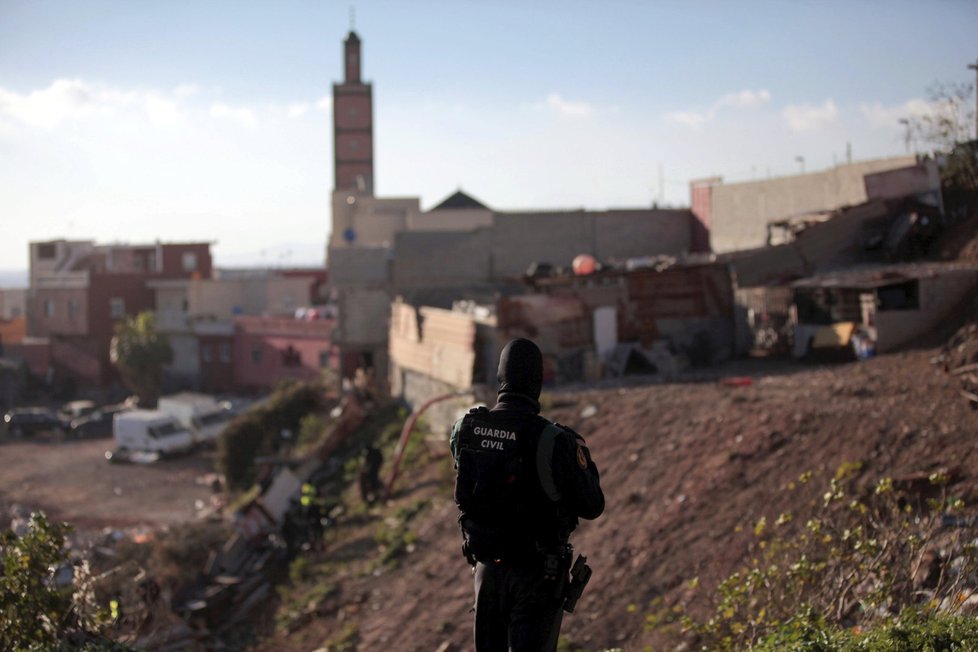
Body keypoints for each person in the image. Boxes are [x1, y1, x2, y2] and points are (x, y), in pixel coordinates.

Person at [450, 338, 605, 652]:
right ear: (538, 383)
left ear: (500, 378)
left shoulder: (464, 430)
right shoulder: (554, 440)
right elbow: (592, 505)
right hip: (537, 577)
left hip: (487, 573)